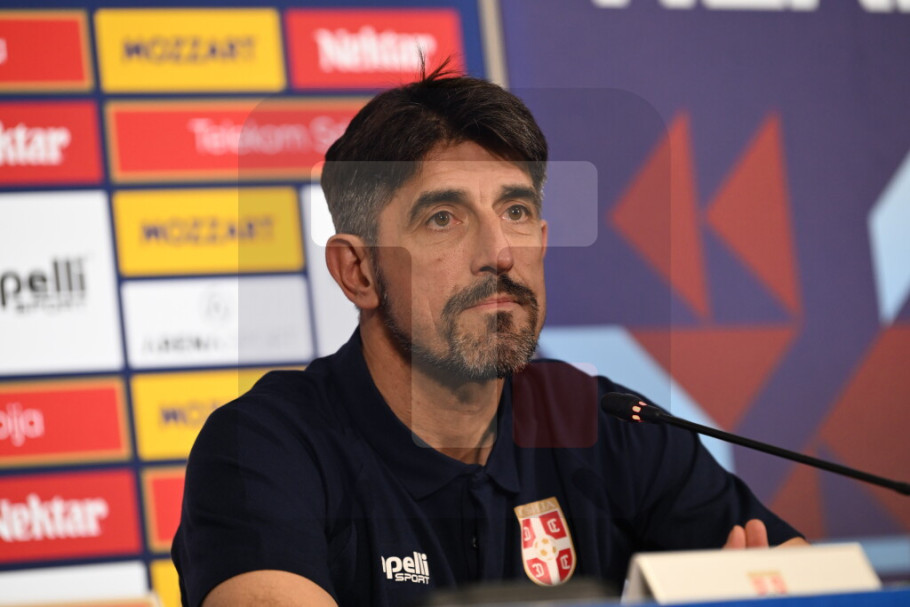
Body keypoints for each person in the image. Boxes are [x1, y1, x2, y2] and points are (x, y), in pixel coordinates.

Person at [171, 64, 805, 607]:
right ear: (358, 271)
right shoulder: (263, 448)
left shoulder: (608, 425)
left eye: (516, 211)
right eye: (443, 218)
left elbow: (806, 579)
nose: (500, 253)